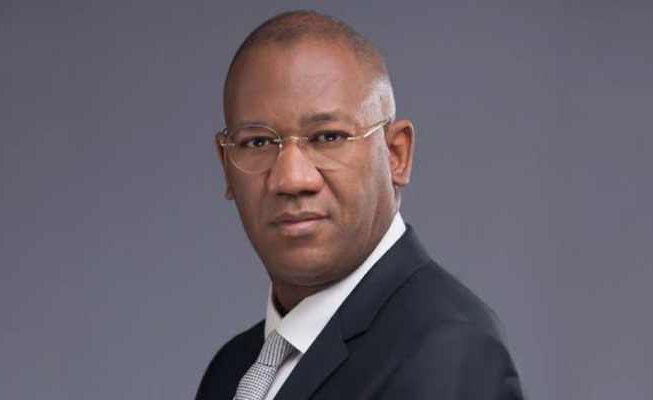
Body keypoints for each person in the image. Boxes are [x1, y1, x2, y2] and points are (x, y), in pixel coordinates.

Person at [196, 10, 525, 400]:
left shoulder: (450, 353)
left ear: (396, 154)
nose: (291, 179)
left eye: (328, 137)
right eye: (258, 142)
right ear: (226, 165)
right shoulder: (230, 371)